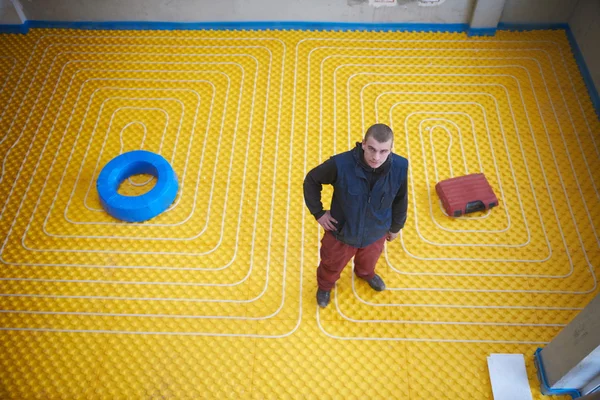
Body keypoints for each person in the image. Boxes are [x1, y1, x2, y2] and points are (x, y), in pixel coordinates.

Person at [303, 123, 408, 308]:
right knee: (330, 264)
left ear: (391, 149)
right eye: (372, 149)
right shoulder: (340, 165)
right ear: (363, 144)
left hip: (376, 233)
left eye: (384, 151)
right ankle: (325, 286)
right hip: (342, 232)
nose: (376, 157)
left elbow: (401, 198)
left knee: (369, 261)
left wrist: (396, 227)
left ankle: (366, 274)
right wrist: (318, 213)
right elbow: (311, 180)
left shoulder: (400, 166)